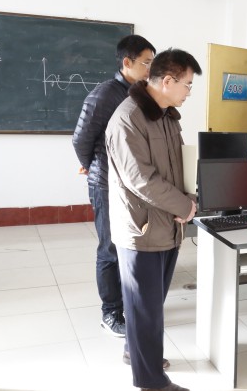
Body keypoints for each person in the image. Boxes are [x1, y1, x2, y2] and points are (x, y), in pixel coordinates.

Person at [106, 48, 200, 391]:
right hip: (142, 228)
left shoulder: (167, 115)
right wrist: (184, 205)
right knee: (144, 309)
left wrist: (190, 197)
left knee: (150, 305)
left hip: (167, 224)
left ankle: (136, 352)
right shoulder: (128, 119)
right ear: (168, 81)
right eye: (187, 85)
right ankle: (151, 382)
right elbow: (141, 180)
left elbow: (176, 165)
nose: (189, 92)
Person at [72, 34, 156, 337]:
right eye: (146, 63)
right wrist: (93, 164)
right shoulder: (105, 94)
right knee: (109, 248)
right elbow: (81, 139)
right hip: (107, 183)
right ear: (127, 62)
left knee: (130, 245)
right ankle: (110, 312)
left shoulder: (141, 95)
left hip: (132, 184)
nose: (151, 69)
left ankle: (128, 303)